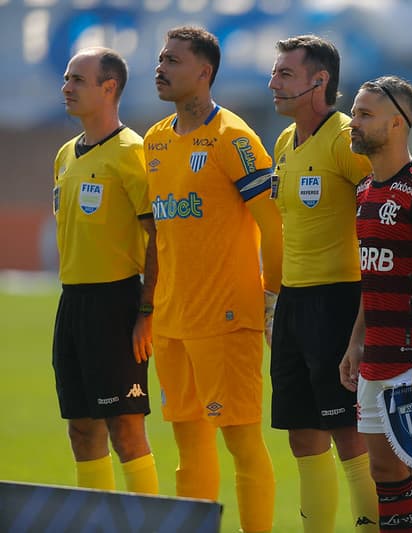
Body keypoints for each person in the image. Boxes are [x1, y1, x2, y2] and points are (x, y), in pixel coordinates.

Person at [144, 26, 283, 533]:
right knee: (189, 445)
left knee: (241, 442)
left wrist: (271, 299)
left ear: (204, 72)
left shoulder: (233, 138)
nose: (160, 68)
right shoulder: (155, 140)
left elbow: (274, 226)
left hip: (225, 318)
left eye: (173, 61)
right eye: (161, 58)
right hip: (172, 319)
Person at [267, 34, 378, 532]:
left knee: (348, 435)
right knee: (302, 436)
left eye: (285, 74)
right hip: (294, 302)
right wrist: (277, 303)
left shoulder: (346, 138)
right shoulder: (285, 142)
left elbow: (386, 208)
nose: (273, 82)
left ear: (319, 81)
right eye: (275, 72)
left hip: (339, 300)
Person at [338, 75, 412, 533]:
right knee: (384, 473)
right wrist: (356, 342)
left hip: (411, 354)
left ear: (398, 123)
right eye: (354, 114)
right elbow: (372, 276)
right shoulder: (364, 190)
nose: (353, 124)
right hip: (375, 355)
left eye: (364, 115)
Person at [52, 47, 158, 495]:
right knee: (81, 430)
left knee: (126, 431)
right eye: (66, 78)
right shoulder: (65, 155)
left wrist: (147, 311)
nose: (66, 87)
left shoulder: (133, 152)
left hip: (116, 303)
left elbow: (159, 237)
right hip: (72, 303)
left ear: (109, 87)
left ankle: (149, 523)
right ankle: (96, 522)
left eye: (77, 79)